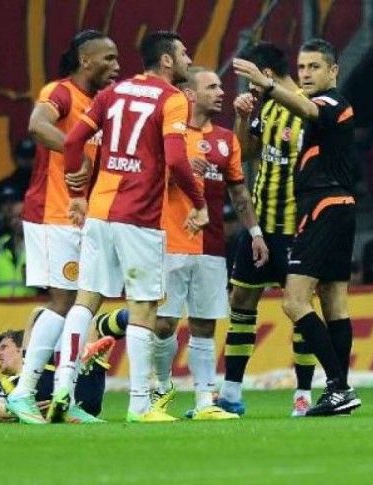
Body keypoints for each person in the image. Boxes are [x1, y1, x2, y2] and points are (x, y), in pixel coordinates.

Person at [55, 31, 207, 424]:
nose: (189, 60)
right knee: (143, 307)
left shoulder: (113, 92)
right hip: (139, 217)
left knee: (86, 300)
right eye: (184, 53)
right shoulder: (172, 98)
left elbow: (71, 142)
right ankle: (140, 405)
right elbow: (176, 160)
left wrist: (76, 193)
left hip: (100, 211)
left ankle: (62, 386)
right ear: (167, 60)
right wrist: (199, 202)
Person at [233, 38, 362, 416]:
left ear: (333, 71)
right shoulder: (298, 106)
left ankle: (338, 385)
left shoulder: (332, 103)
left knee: (293, 302)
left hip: (323, 206)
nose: (306, 73)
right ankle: (339, 392)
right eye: (302, 66)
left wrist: (267, 84)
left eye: (315, 67)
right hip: (338, 207)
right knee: (334, 304)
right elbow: (249, 151)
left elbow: (306, 107)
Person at [5, 30, 119, 424]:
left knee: (79, 303)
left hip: (82, 216)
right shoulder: (61, 92)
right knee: (64, 301)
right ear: (85, 61)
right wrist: (76, 151)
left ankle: (62, 396)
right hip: (52, 214)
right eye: (108, 58)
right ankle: (23, 393)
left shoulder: (101, 103)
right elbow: (37, 125)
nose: (116, 66)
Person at [148, 67, 268, 420]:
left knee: (204, 324)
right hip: (169, 242)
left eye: (220, 86)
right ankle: (161, 387)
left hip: (211, 247)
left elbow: (239, 193)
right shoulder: (169, 134)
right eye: (212, 87)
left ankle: (204, 401)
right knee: (164, 324)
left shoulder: (226, 139)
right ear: (190, 94)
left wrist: (255, 233)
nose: (221, 92)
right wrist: (180, 170)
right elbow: (147, 179)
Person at [219, 42, 318, 418]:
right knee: (241, 301)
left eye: (252, 79)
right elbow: (243, 154)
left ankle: (303, 394)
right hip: (260, 228)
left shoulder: (307, 108)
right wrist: (242, 118)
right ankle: (230, 393)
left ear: (268, 74)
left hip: (297, 228)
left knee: (300, 308)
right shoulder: (268, 106)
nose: (250, 88)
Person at [0, 326, 107, 423]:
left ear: (23, 348)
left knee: (93, 327)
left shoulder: (58, 362)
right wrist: (23, 412)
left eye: (3, 347)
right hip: (70, 417)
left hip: (85, 393)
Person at [0, 202, 36, 297]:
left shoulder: (40, 246)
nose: (17, 221)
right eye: (13, 217)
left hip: (30, 302)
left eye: (21, 216)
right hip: (0, 302)